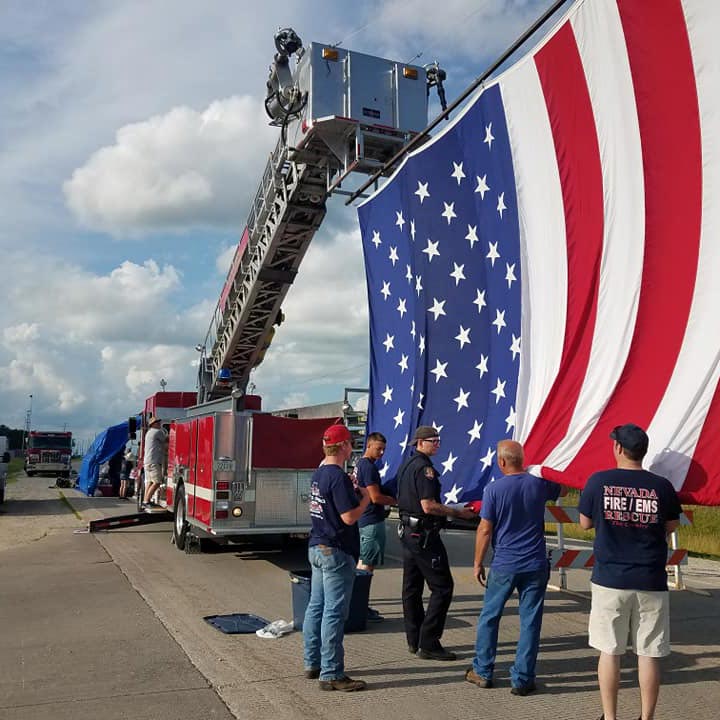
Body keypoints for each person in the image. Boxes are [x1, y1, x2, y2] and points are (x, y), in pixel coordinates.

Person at [578, 424, 681, 720]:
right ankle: (646, 717)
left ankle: (610, 717)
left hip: (610, 579)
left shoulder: (598, 481)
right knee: (648, 653)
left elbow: (585, 523)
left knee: (610, 651)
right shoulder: (662, 486)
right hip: (651, 579)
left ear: (619, 449)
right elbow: (671, 525)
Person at [466, 439, 566, 695]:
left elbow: (485, 528)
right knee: (530, 620)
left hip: (505, 563)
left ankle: (483, 670)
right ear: (522, 460)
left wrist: (478, 562)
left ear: (501, 462)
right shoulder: (539, 484)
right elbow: (564, 488)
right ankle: (522, 678)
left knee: (490, 617)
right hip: (534, 562)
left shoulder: (494, 490)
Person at [397, 425, 477, 661]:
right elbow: (428, 505)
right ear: (420, 443)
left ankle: (414, 638)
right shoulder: (425, 470)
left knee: (411, 588)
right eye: (434, 440)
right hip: (423, 535)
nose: (438, 444)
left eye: (438, 440)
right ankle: (429, 642)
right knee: (442, 587)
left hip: (409, 532)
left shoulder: (407, 465)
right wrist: (456, 512)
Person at [303, 423, 371, 692]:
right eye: (349, 443)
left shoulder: (319, 474)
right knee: (334, 612)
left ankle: (312, 661)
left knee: (315, 607)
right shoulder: (338, 477)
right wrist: (364, 499)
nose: (351, 447)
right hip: (335, 550)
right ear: (343, 446)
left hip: (317, 546)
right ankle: (331, 672)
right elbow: (349, 516)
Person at [356, 432, 396, 622]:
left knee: (362, 564)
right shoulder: (368, 467)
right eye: (378, 448)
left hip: (365, 519)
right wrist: (396, 501)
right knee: (366, 566)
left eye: (383, 450)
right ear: (368, 446)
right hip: (371, 520)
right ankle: (360, 606)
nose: (381, 453)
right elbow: (375, 497)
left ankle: (359, 603)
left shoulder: (361, 465)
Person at [143, 416, 167, 508]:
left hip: (147, 461)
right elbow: (167, 440)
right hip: (154, 461)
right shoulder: (158, 432)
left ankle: (145, 500)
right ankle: (146, 501)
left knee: (149, 482)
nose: (159, 424)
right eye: (158, 422)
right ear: (154, 424)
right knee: (157, 482)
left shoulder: (148, 433)